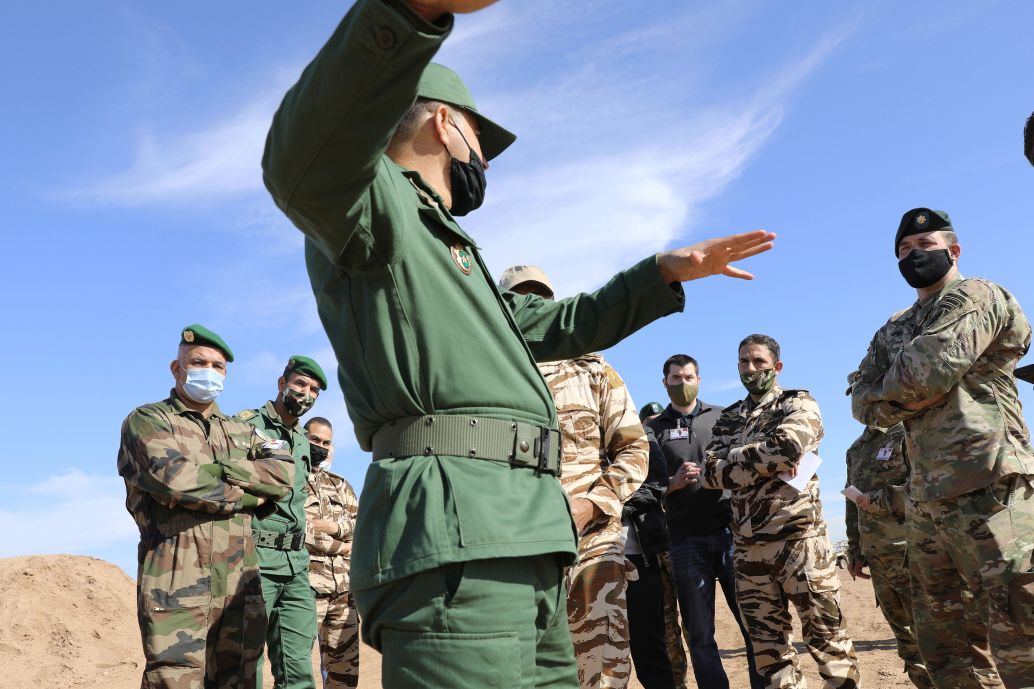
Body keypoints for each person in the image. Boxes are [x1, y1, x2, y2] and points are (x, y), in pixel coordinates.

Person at [261, 1, 775, 685]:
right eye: (478, 136)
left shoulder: (452, 252)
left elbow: (562, 324)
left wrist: (661, 274)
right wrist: (406, 13)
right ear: (444, 124)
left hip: (523, 537)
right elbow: (301, 158)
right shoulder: (375, 210)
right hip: (456, 540)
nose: (484, 159)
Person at [851, 208, 1034, 689]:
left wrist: (891, 394)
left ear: (954, 250)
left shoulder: (977, 295)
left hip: (991, 485)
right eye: (905, 251)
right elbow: (860, 400)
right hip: (925, 500)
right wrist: (894, 392)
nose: (915, 255)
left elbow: (925, 373)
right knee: (945, 648)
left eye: (926, 245)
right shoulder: (893, 327)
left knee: (1021, 637)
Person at [117, 324, 296, 689]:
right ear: (176, 368)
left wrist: (221, 471)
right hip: (177, 580)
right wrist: (248, 493)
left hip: (238, 586)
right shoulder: (148, 420)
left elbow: (283, 471)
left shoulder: (241, 431)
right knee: (174, 678)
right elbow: (174, 480)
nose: (209, 372)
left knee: (240, 679)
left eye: (218, 366)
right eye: (199, 362)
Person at [502, 264, 648, 689]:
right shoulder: (490, 373)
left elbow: (635, 448)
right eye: (518, 298)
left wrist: (592, 504)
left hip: (592, 539)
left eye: (540, 298)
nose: (531, 305)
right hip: (516, 542)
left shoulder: (593, 368)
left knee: (602, 667)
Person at [690, 334, 860, 689]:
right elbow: (708, 473)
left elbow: (788, 447)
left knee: (828, 641)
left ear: (776, 367)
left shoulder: (798, 404)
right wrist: (761, 461)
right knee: (769, 651)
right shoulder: (729, 418)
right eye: (743, 362)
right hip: (749, 549)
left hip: (799, 543)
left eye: (759, 362)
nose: (750, 369)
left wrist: (735, 460)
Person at [646, 354, 763, 689]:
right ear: (664, 382)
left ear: (699, 379)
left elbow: (748, 463)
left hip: (730, 533)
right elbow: (644, 486)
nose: (682, 384)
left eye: (688, 377)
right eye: (675, 378)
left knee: (752, 624)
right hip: (683, 541)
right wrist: (673, 483)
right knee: (700, 634)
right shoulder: (652, 429)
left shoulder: (724, 417)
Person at [236, 356, 329, 689]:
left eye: (314, 389)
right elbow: (227, 483)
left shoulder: (303, 441)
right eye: (301, 384)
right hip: (255, 562)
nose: (306, 393)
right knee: (246, 666)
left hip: (296, 567)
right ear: (281, 383)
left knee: (298, 669)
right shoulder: (246, 425)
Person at [842, 417, 934, 689]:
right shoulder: (856, 449)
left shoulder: (909, 430)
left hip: (914, 552)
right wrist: (855, 550)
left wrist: (878, 500)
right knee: (907, 643)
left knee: (935, 639)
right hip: (880, 558)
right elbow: (852, 504)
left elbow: (925, 483)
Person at [622, 421, 690, 689]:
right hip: (583, 559)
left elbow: (655, 483)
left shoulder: (641, 433)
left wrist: (600, 505)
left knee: (651, 652)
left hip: (639, 557)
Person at [303, 417, 360, 689]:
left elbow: (361, 528)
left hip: (344, 592)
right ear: (302, 438)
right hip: (305, 589)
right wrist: (345, 542)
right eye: (315, 440)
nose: (321, 447)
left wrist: (332, 526)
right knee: (297, 666)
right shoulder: (290, 480)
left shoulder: (342, 485)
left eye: (327, 442)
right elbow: (304, 533)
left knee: (344, 672)